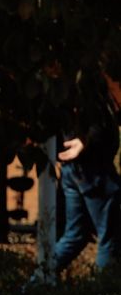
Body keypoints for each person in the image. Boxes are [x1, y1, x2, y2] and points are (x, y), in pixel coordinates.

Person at [51, 102, 119, 273]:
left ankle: (35, 285)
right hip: (93, 169)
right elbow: (97, 123)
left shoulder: (66, 87)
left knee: (75, 235)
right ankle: (102, 294)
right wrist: (87, 140)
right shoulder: (87, 87)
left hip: (74, 168)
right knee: (110, 237)